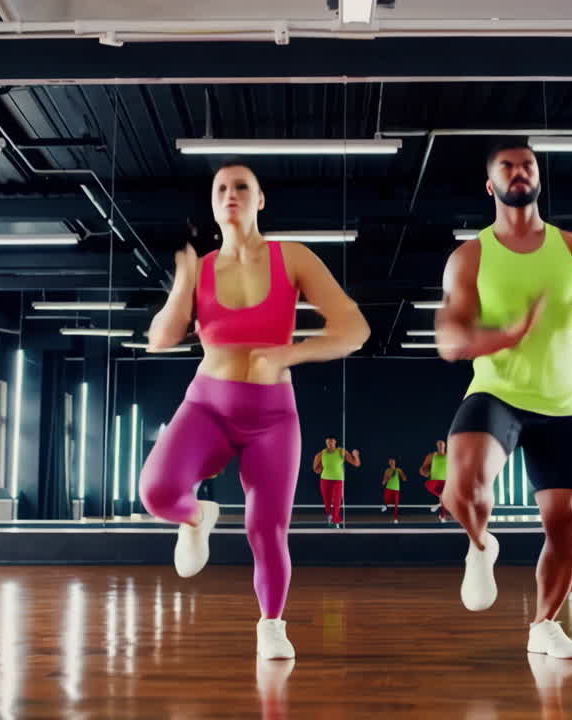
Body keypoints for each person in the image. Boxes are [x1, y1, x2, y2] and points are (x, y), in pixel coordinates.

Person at [139, 160, 369, 660]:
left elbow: (354, 328)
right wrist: (182, 285)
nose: (231, 194)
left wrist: (293, 352)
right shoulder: (199, 271)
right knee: (156, 493)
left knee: (265, 528)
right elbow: (160, 337)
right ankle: (196, 515)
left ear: (260, 199)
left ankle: (271, 625)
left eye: (242, 186)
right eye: (221, 187)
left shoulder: (294, 259)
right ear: (214, 202)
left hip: (272, 416)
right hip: (208, 406)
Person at [435, 140, 572, 657]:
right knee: (461, 488)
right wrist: (505, 335)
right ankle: (481, 546)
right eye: (506, 165)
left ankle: (544, 624)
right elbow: (451, 340)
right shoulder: (471, 256)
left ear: (538, 177)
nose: (519, 171)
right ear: (491, 184)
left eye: (527, 164)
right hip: (497, 390)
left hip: (562, 402)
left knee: (567, 523)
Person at [311, 437, 360, 526]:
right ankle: (330, 515)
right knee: (327, 502)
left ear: (335, 442)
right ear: (326, 442)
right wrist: (319, 466)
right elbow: (316, 470)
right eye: (328, 441)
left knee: (337, 500)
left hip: (338, 480)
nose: (330, 443)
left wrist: (355, 455)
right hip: (325, 480)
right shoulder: (321, 454)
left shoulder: (341, 451)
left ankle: (336, 520)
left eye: (332, 441)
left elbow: (356, 463)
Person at [419, 440, 450, 521]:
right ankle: (440, 504)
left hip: (446, 481)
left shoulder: (450, 455)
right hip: (434, 481)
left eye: (442, 445)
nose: (440, 446)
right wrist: (424, 471)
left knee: (444, 498)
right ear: (437, 446)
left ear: (445, 446)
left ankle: (442, 516)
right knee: (441, 495)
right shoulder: (432, 455)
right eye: (439, 445)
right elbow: (423, 467)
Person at [381, 458, 406, 522]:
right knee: (386, 500)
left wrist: (403, 477)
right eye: (390, 462)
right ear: (389, 463)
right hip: (388, 488)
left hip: (396, 489)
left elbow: (404, 478)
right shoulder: (387, 470)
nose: (392, 463)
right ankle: (385, 506)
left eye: (393, 462)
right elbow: (384, 480)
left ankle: (396, 518)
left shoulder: (398, 470)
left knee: (396, 505)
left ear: (395, 463)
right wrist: (385, 480)